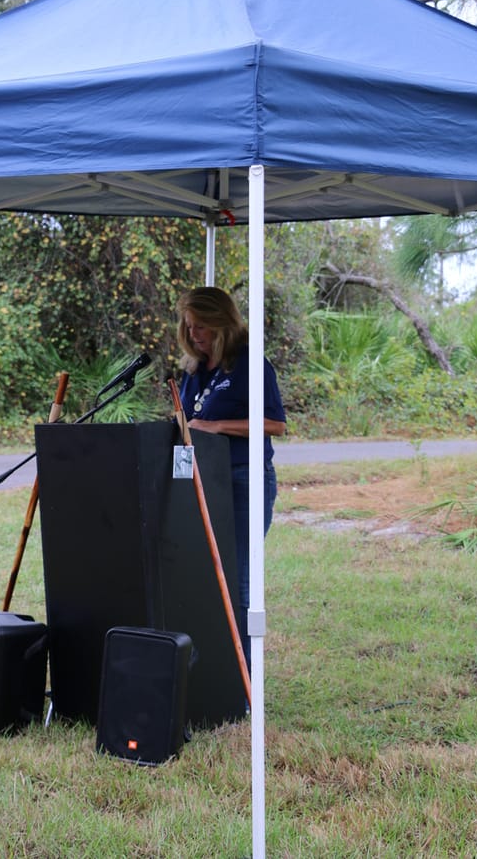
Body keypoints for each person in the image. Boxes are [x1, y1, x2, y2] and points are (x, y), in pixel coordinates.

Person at [176, 286, 286, 674]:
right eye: (189, 328)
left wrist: (215, 426)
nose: (194, 336)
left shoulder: (251, 364)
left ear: (222, 323)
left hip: (244, 481)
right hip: (204, 482)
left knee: (240, 583)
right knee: (207, 579)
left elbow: (276, 424)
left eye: (201, 327)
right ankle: (216, 671)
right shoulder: (194, 371)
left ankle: (246, 683)